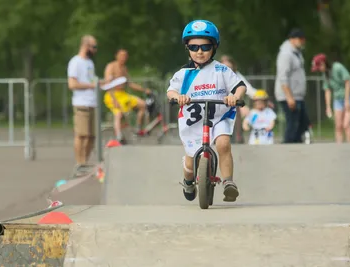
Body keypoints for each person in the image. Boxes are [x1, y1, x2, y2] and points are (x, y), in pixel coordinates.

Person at [166, 20, 248, 203]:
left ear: (214, 47)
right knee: (189, 162)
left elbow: (240, 86)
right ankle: (188, 181)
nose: (200, 51)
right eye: (194, 47)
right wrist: (177, 97)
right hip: (193, 121)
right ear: (187, 48)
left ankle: (228, 183)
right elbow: (171, 91)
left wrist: (234, 96)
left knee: (224, 144)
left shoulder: (221, 70)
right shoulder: (183, 74)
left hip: (219, 116)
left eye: (205, 46)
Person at [103, 49, 151, 144]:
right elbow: (108, 84)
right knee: (118, 114)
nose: (123, 58)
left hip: (123, 94)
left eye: (125, 56)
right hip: (112, 94)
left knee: (143, 104)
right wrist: (114, 99)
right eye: (121, 55)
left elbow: (130, 83)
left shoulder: (124, 68)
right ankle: (119, 135)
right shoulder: (111, 66)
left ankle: (138, 128)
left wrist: (144, 90)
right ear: (116, 56)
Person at [67, 35, 100, 172]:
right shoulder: (75, 62)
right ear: (86, 46)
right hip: (81, 103)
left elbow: (92, 80)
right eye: (94, 47)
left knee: (92, 136)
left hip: (92, 102)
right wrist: (91, 86)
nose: (95, 50)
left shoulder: (90, 63)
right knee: (81, 135)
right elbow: (72, 83)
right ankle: (79, 163)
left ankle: (84, 162)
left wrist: (102, 83)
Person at [311, 53, 350, 143]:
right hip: (337, 99)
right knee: (338, 126)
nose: (319, 70)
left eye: (319, 67)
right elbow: (327, 90)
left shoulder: (338, 67)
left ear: (323, 63)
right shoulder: (325, 75)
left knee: (346, 124)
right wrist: (328, 107)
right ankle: (339, 148)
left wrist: (347, 101)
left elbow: (347, 82)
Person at [274, 28, 310, 144]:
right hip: (289, 96)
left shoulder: (297, 53)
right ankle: (288, 146)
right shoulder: (286, 54)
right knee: (293, 123)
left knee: (303, 122)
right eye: (300, 39)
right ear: (292, 39)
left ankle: (297, 144)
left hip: (297, 95)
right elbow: (283, 77)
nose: (302, 42)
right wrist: (289, 97)